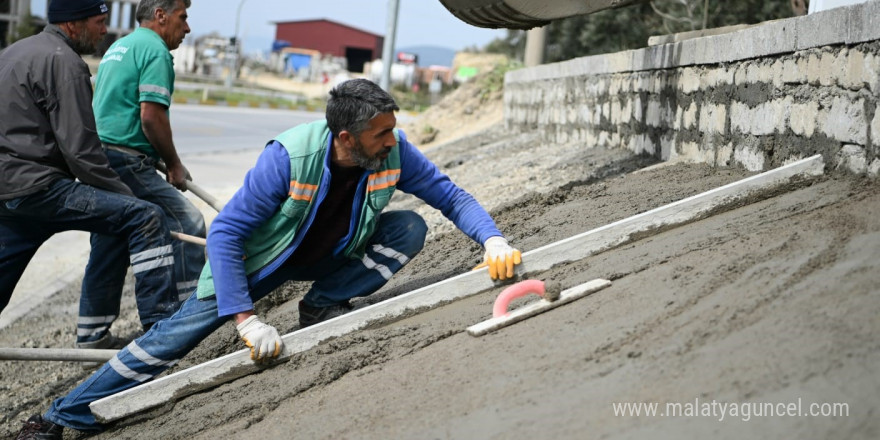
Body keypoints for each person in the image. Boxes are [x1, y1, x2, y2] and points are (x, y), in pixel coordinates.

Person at [16, 78, 522, 438]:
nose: (392, 142)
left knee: (409, 226)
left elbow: (451, 197)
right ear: (346, 139)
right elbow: (226, 234)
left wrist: (492, 240)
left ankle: (323, 303)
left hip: (330, 255)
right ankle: (61, 416)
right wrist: (245, 318)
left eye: (393, 131)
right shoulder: (288, 157)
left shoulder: (394, 151)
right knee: (169, 340)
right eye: (381, 135)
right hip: (259, 264)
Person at [0, 1, 180, 332]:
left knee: (113, 224)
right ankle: (163, 334)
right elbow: (82, 154)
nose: (104, 30)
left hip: (9, 192)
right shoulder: (65, 63)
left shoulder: (14, 53)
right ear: (74, 23)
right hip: (42, 188)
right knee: (145, 217)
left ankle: (94, 332)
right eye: (99, 22)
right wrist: (128, 196)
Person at [78, 0, 203, 350]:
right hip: (125, 160)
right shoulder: (156, 51)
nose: (187, 28)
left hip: (99, 159)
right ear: (161, 15)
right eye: (184, 17)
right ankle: (189, 317)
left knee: (110, 240)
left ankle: (91, 335)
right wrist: (174, 164)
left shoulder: (121, 46)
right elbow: (151, 117)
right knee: (186, 220)